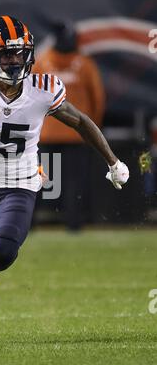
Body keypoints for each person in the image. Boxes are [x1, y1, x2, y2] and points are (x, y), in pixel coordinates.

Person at [0, 15, 129, 343]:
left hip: (19, 183)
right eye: (6, 53)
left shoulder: (44, 89)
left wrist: (113, 160)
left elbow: (81, 122)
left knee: (5, 251)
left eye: (19, 53)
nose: (14, 60)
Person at [34, 20, 106, 230]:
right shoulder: (85, 64)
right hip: (77, 134)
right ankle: (74, 225)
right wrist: (93, 129)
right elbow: (98, 100)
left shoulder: (43, 61)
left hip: (46, 133)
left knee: (36, 179)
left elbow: (28, 97)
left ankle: (27, 223)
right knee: (75, 182)